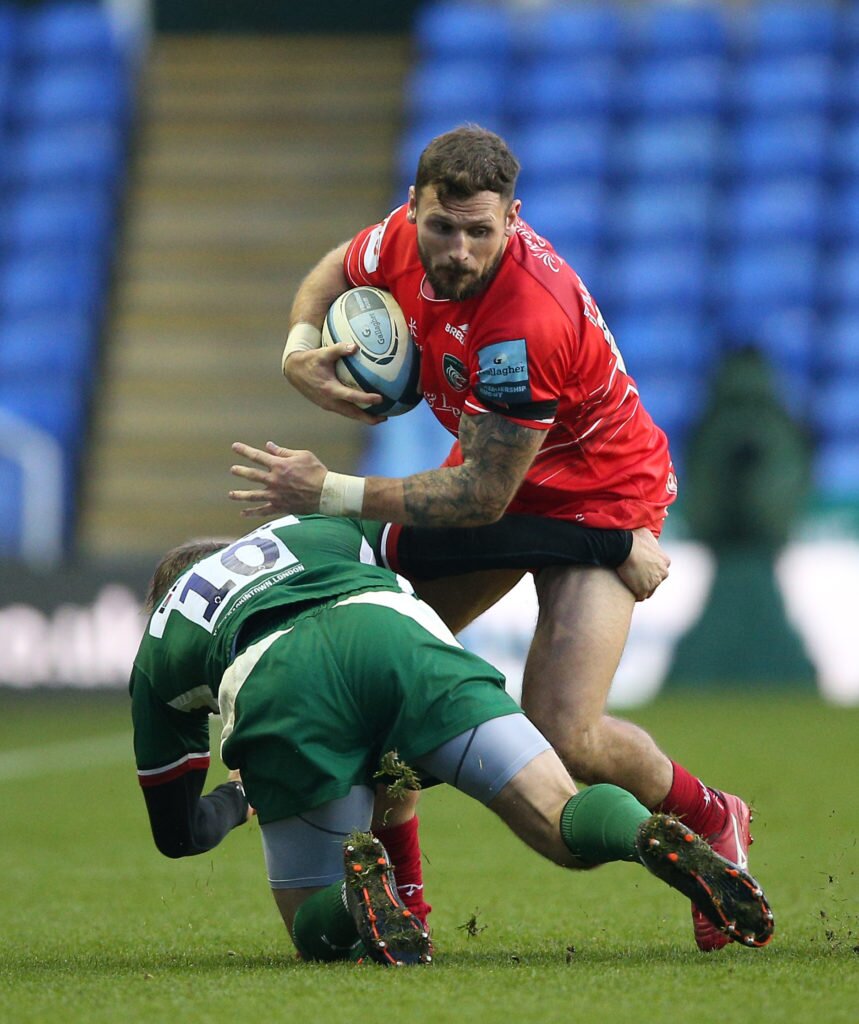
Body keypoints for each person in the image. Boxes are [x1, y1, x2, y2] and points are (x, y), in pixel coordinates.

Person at [229, 125, 754, 952]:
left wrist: (324, 489)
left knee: (564, 731)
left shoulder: (522, 323)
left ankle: (707, 813)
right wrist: (299, 345)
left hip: (595, 494)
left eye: (483, 232)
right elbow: (338, 267)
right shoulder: (398, 242)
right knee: (389, 672)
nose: (461, 251)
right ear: (414, 209)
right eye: (444, 228)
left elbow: (480, 499)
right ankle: (407, 908)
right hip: (492, 470)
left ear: (514, 220)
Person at [131, 513, 773, 965]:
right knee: (561, 820)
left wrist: (241, 798)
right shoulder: (306, 530)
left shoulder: (161, 638)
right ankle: (644, 833)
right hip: (400, 634)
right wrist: (607, 543)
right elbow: (473, 542)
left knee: (312, 924)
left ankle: (358, 898)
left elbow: (178, 833)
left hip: (280, 683)